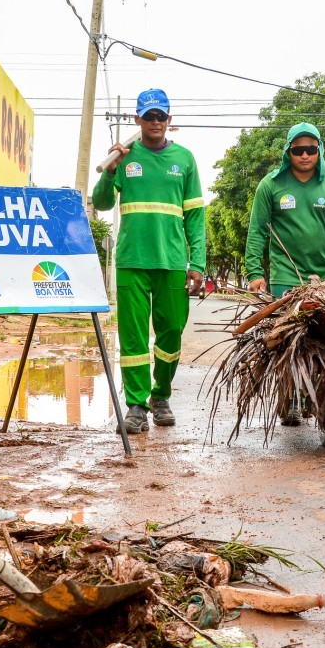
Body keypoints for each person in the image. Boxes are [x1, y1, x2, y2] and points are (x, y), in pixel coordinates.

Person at [92, 88, 206, 434]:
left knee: (171, 332)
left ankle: (161, 395)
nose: (155, 122)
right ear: (137, 119)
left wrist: (197, 262)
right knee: (133, 339)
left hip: (172, 261)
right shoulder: (124, 157)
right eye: (149, 116)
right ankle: (136, 405)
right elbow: (101, 202)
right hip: (131, 261)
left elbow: (196, 219)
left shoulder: (185, 160)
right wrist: (110, 169)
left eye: (161, 116)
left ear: (169, 121)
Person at [245, 123, 325, 298]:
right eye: (298, 150)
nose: (305, 155)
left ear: (319, 149)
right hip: (284, 278)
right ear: (288, 151)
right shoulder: (270, 184)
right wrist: (254, 273)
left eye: (311, 149)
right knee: (285, 325)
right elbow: (257, 231)